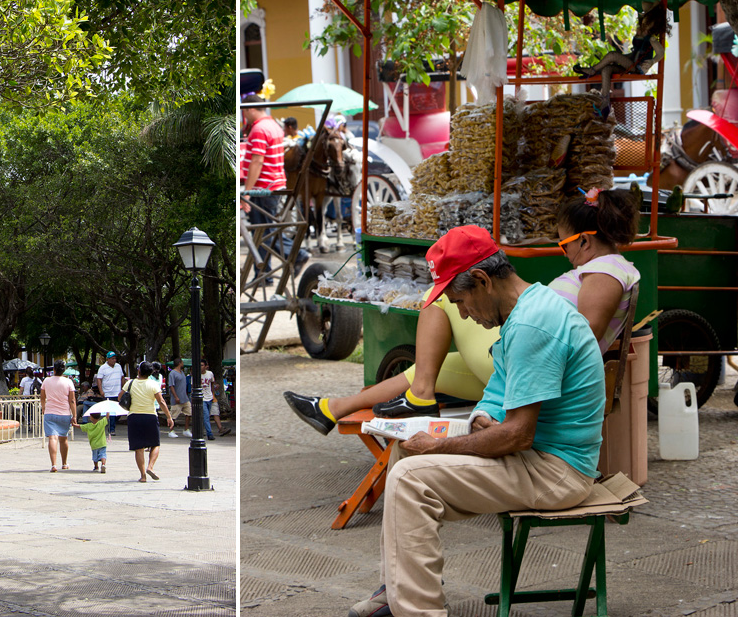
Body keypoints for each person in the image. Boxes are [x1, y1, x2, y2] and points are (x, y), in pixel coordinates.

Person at [348, 225, 605, 617]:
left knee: (410, 479)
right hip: (540, 456)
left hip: (557, 471)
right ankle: (397, 590)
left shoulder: (531, 325)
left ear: (483, 280)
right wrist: (481, 418)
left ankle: (419, 611)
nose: (463, 313)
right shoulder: (526, 308)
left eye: (461, 301)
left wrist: (442, 444)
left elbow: (519, 435)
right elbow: (498, 397)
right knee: (403, 456)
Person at [285, 187, 640, 433]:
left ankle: (419, 397)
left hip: (534, 362)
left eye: (563, 245)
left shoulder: (605, 272)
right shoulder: (604, 269)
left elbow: (582, 338)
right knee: (426, 370)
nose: (564, 254)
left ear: (584, 240)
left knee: (441, 296)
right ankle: (333, 409)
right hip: (525, 356)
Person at [240, 95, 309, 280]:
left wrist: (246, 192)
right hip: (274, 184)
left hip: (263, 187)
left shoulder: (259, 129)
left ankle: (295, 254)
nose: (244, 116)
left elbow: (257, 161)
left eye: (244, 111)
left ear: (250, 109)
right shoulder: (273, 126)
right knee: (262, 229)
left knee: (265, 230)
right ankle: (263, 274)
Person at [573, 3, 670, 107]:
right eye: (645, 23)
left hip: (637, 67)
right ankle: (605, 102)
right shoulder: (641, 32)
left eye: (648, 24)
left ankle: (592, 70)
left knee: (612, 55)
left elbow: (661, 52)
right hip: (632, 62)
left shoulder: (651, 38)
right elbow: (633, 54)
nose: (645, 26)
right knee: (606, 70)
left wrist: (652, 61)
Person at [120, 361, 173, 482]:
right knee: (155, 444)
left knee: (139, 448)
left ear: (139, 371)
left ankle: (143, 476)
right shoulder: (153, 384)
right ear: (150, 373)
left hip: (134, 417)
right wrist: (169, 417)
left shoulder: (130, 383)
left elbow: (120, 397)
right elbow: (161, 402)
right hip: (150, 416)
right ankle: (150, 467)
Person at [40, 364, 77, 473]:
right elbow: (72, 400)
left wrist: (43, 408)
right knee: (63, 438)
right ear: (64, 370)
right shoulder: (69, 382)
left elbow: (43, 397)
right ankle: (64, 463)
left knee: (52, 438)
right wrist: (74, 415)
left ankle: (53, 464)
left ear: (54, 369)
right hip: (64, 413)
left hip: (50, 413)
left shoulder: (46, 381)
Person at [96, 352, 125, 436]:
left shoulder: (118, 366)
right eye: (112, 358)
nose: (114, 360)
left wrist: (123, 389)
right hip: (108, 393)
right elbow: (99, 379)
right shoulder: (103, 368)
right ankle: (111, 429)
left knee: (118, 411)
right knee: (111, 412)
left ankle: (109, 424)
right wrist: (101, 391)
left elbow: (122, 377)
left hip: (117, 392)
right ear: (107, 359)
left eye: (115, 358)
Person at [166, 359, 192, 438]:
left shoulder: (182, 372)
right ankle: (171, 430)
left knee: (189, 412)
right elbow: (171, 386)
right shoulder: (172, 373)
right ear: (180, 363)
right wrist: (176, 396)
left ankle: (186, 429)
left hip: (184, 397)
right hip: (177, 399)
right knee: (173, 415)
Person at [83, 409, 109, 473]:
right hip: (102, 443)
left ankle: (96, 467)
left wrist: (73, 424)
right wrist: (108, 410)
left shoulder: (88, 426)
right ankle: (103, 464)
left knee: (95, 457)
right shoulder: (102, 422)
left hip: (94, 445)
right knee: (103, 455)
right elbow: (107, 417)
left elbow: (80, 427)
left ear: (91, 417)